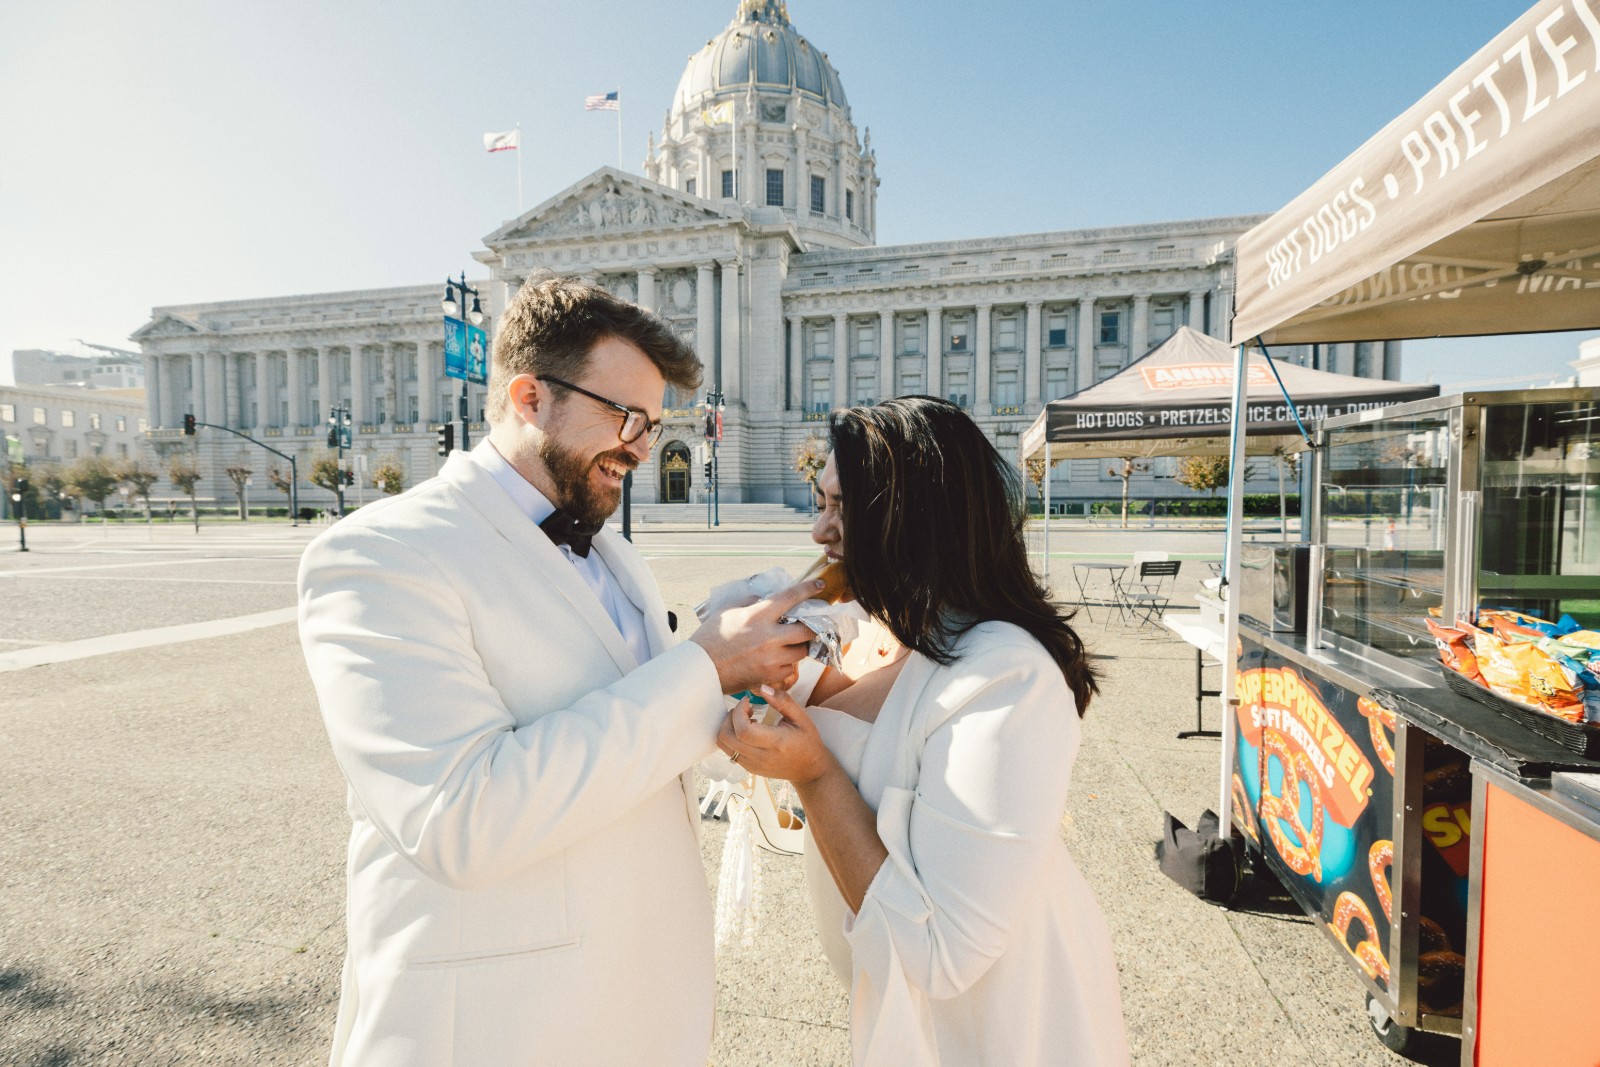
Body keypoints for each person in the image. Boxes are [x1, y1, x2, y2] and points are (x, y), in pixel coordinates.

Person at [298, 276, 817, 1066]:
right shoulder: (381, 555)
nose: (644, 446)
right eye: (626, 417)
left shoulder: (613, 552)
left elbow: (636, 726)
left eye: (654, 424)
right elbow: (460, 818)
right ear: (530, 396)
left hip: (633, 1013)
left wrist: (745, 681)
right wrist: (702, 670)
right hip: (492, 1030)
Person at [719, 396, 1130, 1066]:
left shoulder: (1008, 675)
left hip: (1002, 1023)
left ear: (914, 519)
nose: (820, 532)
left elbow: (944, 951)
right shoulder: (885, 630)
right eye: (818, 503)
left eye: (844, 509)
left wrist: (813, 772)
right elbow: (775, 700)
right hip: (902, 1014)